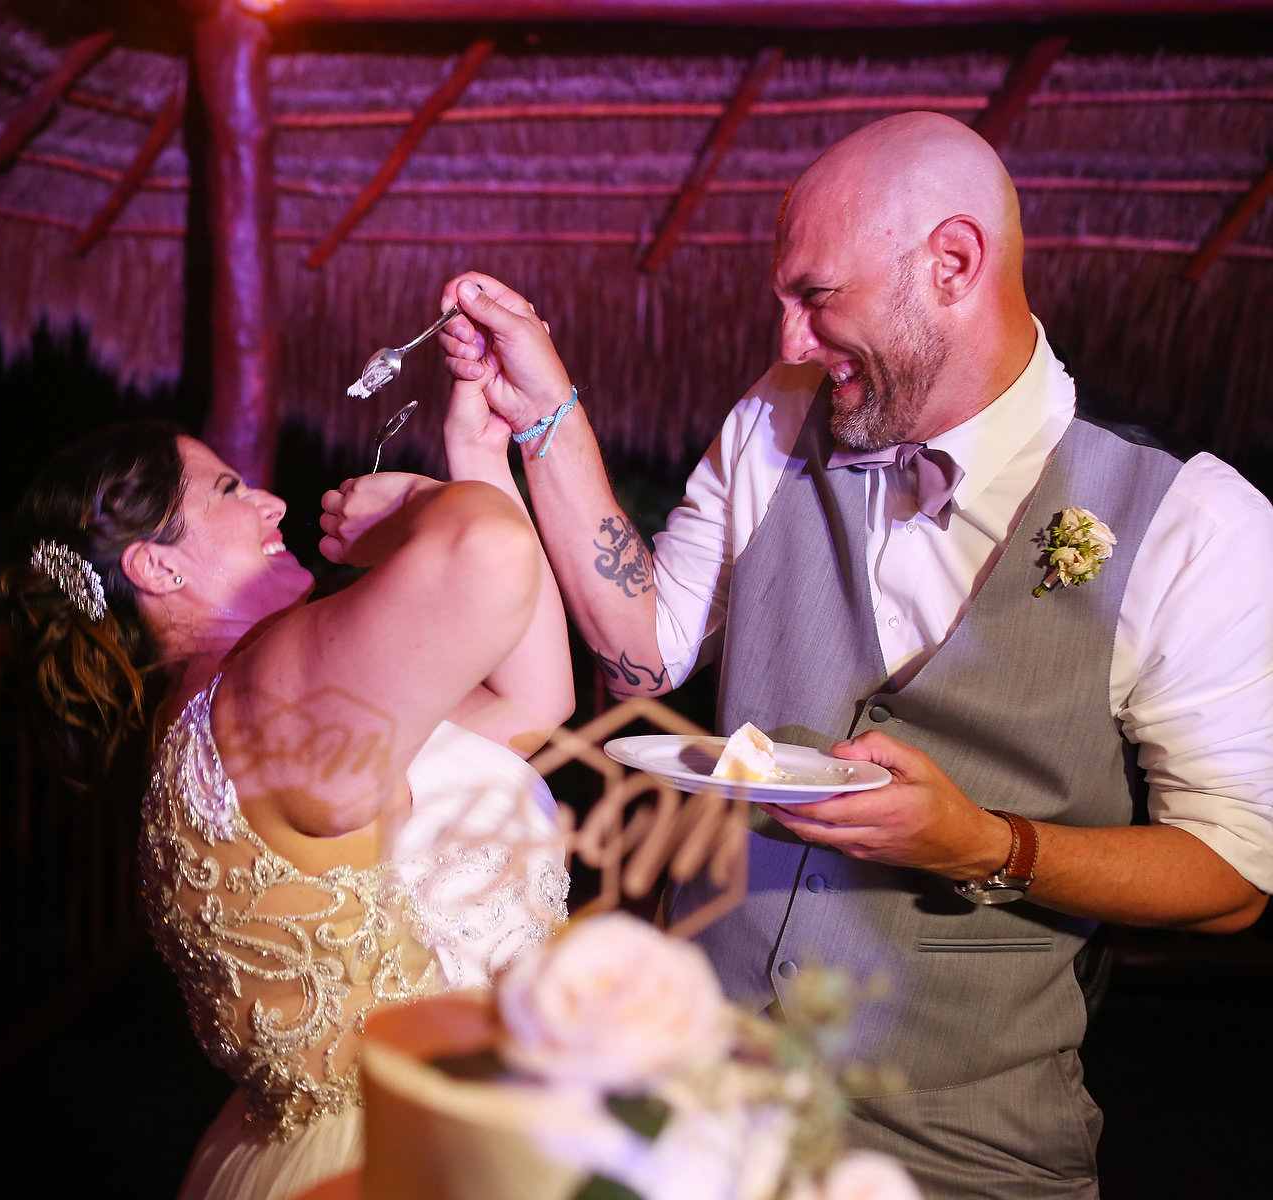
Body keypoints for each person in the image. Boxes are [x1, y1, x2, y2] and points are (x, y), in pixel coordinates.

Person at [433, 110, 1272, 1198]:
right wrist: (547, 413)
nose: (788, 342)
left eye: (814, 296)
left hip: (962, 1154)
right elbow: (643, 658)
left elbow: (1235, 873)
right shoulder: (776, 422)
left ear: (953, 265)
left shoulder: (1194, 522)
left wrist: (987, 843)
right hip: (692, 1107)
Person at [0, 380, 574, 1200]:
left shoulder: (213, 710)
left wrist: (480, 461)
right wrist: (415, 510)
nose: (268, 502)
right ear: (156, 565)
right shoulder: (270, 692)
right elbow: (485, 552)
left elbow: (532, 701)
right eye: (228, 489)